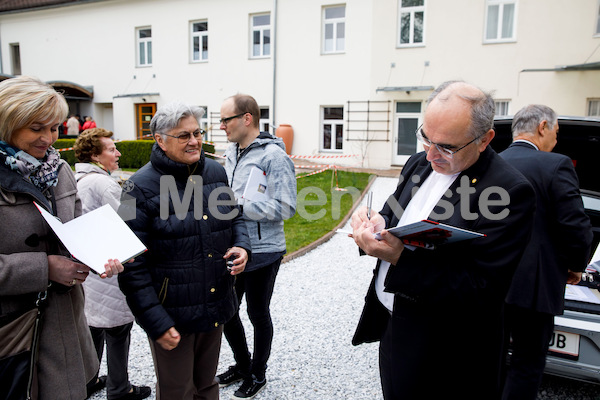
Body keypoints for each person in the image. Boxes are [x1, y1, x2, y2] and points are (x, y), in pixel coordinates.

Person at [350, 80, 536, 399]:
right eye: (426, 138)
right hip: (394, 324)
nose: (432, 154)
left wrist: (400, 257)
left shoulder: (509, 191)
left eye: (447, 147)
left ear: (484, 139)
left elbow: (481, 288)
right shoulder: (419, 163)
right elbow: (395, 210)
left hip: (448, 347)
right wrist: (375, 222)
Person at [0, 75, 124, 399]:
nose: (49, 138)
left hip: (67, 324)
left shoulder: (60, 170)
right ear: (7, 122)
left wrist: (98, 256)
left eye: (54, 127)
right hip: (17, 333)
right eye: (36, 127)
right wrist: (45, 268)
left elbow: (78, 228)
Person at [117, 101, 251, 399]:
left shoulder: (216, 172)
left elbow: (235, 216)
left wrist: (242, 246)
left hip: (214, 301)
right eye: (183, 136)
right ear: (159, 140)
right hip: (171, 313)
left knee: (207, 386)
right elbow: (129, 261)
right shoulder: (134, 188)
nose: (194, 141)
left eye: (197, 133)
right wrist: (156, 322)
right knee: (178, 391)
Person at [499, 105, 593, 399]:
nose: (556, 138)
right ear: (542, 127)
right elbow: (575, 225)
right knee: (527, 363)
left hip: (490, 281)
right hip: (533, 286)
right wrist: (577, 265)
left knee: (493, 359)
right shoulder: (556, 164)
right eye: (556, 131)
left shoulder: (491, 163)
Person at [215, 94, 296, 399]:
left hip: (264, 249)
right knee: (227, 310)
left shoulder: (274, 157)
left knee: (257, 313)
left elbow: (287, 207)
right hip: (235, 244)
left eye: (226, 120)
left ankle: (258, 373)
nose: (222, 126)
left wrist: (239, 207)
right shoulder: (232, 151)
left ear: (246, 118)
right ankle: (242, 363)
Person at [73, 128, 152, 400]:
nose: (118, 153)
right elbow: (128, 220)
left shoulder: (78, 179)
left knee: (93, 327)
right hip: (110, 269)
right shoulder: (103, 183)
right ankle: (120, 388)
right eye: (111, 149)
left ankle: (88, 380)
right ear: (95, 155)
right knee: (118, 329)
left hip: (89, 267)